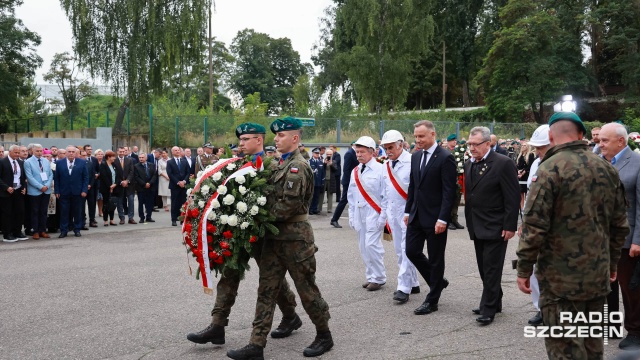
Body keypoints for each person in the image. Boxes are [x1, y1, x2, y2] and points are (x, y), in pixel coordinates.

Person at [516, 112, 629, 358]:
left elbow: (534, 226)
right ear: (581, 135)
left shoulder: (548, 169)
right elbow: (620, 225)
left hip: (560, 282)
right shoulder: (606, 168)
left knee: (565, 348)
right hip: (596, 276)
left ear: (550, 136)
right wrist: (611, 264)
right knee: (592, 346)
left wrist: (524, 268)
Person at [227, 117, 332, 360]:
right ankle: (256, 344)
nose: (276, 139)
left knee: (307, 290)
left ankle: (324, 334)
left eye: (281, 135)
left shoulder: (298, 167)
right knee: (266, 290)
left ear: (294, 138)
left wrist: (253, 218)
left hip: (295, 239)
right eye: (276, 135)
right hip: (273, 240)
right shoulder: (277, 164)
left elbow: (288, 207)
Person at [188, 122, 300, 347]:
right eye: (240, 140)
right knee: (229, 276)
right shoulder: (233, 165)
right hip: (237, 234)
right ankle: (217, 325)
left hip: (262, 234)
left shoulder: (273, 166)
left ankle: (290, 316)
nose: (241, 143)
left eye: (246, 139)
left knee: (272, 281)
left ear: (259, 140)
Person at [464, 126, 519, 325]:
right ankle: (495, 300)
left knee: (492, 268)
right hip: (477, 224)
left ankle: (488, 308)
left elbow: (512, 197)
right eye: (469, 144)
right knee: (483, 266)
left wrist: (510, 225)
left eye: (475, 144)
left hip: (496, 225)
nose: (471, 148)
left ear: (488, 144)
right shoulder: (470, 164)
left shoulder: (503, 163)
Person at [403, 122, 457, 314]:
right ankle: (438, 281)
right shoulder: (416, 156)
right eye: (416, 136)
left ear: (432, 134)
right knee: (411, 251)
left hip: (436, 219)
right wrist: (408, 211)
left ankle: (432, 300)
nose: (417, 140)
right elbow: (413, 186)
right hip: (417, 215)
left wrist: (443, 218)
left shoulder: (445, 157)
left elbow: (449, 192)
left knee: (436, 259)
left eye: (421, 137)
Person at [598, 122, 640, 349]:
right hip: (601, 238)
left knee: (630, 288)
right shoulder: (599, 162)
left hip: (627, 240)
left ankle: (635, 330)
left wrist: (638, 240)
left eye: (605, 140)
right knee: (606, 285)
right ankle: (610, 324)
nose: (600, 143)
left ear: (621, 141)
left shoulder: (637, 163)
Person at [516, 124, 552, 327]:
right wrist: (525, 223)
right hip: (535, 224)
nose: (537, 151)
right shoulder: (537, 163)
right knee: (536, 267)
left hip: (553, 227)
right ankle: (541, 308)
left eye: (541, 147)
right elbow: (529, 195)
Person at [379, 130, 420, 304]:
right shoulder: (386, 165)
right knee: (398, 250)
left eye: (390, 147)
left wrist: (411, 211)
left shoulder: (412, 162)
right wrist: (384, 216)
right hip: (393, 213)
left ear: (401, 145)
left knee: (406, 249)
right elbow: (386, 193)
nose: (388, 151)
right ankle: (414, 282)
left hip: (408, 212)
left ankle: (403, 287)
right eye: (385, 148)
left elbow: (417, 190)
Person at [347, 136, 387, 291]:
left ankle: (379, 277)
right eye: (357, 152)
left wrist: (383, 215)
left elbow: (385, 194)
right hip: (359, 211)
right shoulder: (355, 171)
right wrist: (351, 215)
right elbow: (350, 195)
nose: (358, 155)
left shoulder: (380, 169)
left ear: (372, 152)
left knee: (372, 245)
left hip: (373, 212)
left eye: (362, 152)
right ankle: (371, 276)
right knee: (363, 246)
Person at [54, 145, 89, 238]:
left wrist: (84, 190)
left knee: (77, 212)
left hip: (78, 192)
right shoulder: (59, 163)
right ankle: (63, 230)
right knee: (64, 212)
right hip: (63, 192)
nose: (71, 153)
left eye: (73, 152)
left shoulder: (82, 162)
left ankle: (77, 229)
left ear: (76, 153)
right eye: (69, 151)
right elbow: (56, 178)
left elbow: (85, 177)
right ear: (66, 153)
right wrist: (57, 190)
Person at [24, 144, 53, 240]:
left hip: (46, 190)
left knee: (44, 211)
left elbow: (50, 174)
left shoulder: (46, 161)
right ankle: (35, 231)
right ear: (32, 151)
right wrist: (40, 187)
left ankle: (42, 230)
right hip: (34, 191)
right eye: (37, 151)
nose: (39, 153)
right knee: (35, 211)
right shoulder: (28, 162)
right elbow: (29, 177)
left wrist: (47, 185)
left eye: (41, 151)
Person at [0, 145, 27, 242]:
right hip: (6, 192)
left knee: (20, 212)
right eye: (15, 152)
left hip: (18, 190)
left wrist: (24, 187)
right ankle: (7, 234)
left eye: (18, 152)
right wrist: (6, 187)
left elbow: (23, 177)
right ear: (10, 152)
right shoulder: (2, 162)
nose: (17, 154)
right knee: (7, 213)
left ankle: (18, 232)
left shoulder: (21, 162)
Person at [330, 142, 358, 228]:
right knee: (344, 200)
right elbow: (346, 169)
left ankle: (356, 220)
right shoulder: (349, 154)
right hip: (349, 181)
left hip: (353, 181)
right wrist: (351, 181)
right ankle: (334, 219)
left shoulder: (354, 153)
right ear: (354, 145)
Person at [167, 146, 190, 226]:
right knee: (174, 203)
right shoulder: (170, 162)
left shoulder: (184, 161)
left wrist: (184, 181)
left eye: (178, 150)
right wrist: (178, 182)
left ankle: (182, 219)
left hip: (183, 185)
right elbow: (170, 174)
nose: (177, 151)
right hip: (175, 186)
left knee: (183, 203)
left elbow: (188, 172)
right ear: (172, 152)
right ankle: (174, 219)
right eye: (175, 150)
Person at [99, 150, 122, 226]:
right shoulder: (103, 165)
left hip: (115, 187)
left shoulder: (114, 165)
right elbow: (104, 177)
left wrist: (115, 184)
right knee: (106, 204)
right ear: (108, 157)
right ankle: (105, 220)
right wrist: (110, 186)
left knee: (113, 203)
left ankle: (111, 219)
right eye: (113, 157)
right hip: (106, 188)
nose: (114, 158)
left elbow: (118, 175)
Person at [114, 147, 136, 225]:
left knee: (131, 201)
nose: (122, 153)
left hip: (129, 185)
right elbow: (114, 173)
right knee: (119, 202)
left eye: (123, 151)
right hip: (119, 185)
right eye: (120, 151)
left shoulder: (129, 160)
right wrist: (121, 182)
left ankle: (131, 218)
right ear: (117, 152)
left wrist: (127, 181)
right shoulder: (114, 161)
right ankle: (122, 218)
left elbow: (131, 171)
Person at [134, 153, 157, 223]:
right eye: (140, 157)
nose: (141, 159)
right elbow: (136, 177)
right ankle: (141, 217)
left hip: (151, 187)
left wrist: (150, 183)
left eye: (142, 157)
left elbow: (154, 175)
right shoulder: (136, 166)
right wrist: (144, 184)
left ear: (146, 158)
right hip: (141, 187)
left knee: (149, 203)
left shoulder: (152, 165)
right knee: (141, 203)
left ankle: (149, 217)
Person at [83, 144, 99, 228]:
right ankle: (83, 220)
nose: (90, 150)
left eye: (91, 149)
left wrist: (90, 184)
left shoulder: (92, 161)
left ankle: (92, 220)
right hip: (82, 187)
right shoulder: (79, 162)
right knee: (82, 205)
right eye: (88, 149)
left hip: (92, 186)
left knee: (92, 204)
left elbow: (94, 173)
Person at [516, 141, 535, 209]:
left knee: (527, 192)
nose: (523, 147)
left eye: (524, 145)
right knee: (521, 192)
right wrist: (518, 171)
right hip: (520, 175)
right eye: (522, 145)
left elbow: (530, 165)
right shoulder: (520, 155)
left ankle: (526, 208)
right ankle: (521, 207)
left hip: (526, 175)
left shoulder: (530, 155)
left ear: (527, 147)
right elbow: (518, 165)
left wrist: (523, 172)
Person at [319, 148, 338, 214]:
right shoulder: (322, 160)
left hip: (331, 180)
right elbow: (320, 169)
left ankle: (329, 209)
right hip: (323, 180)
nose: (328, 155)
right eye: (327, 154)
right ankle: (319, 208)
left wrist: (331, 164)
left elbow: (336, 170)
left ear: (332, 155)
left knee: (330, 195)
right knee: (321, 194)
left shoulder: (334, 161)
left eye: (330, 154)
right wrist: (324, 164)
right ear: (325, 154)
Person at [309, 148, 325, 215]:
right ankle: (310, 209)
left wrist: (322, 182)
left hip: (318, 182)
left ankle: (315, 209)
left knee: (317, 196)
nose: (317, 154)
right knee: (311, 197)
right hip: (312, 182)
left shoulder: (320, 162)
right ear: (312, 153)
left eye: (318, 153)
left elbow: (322, 173)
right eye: (316, 153)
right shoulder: (309, 162)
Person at [94, 149, 105, 218]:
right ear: (95, 155)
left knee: (102, 198)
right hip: (95, 181)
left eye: (101, 154)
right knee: (97, 198)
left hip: (103, 182)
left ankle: (101, 211)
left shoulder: (104, 162)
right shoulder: (94, 162)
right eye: (98, 154)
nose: (100, 155)